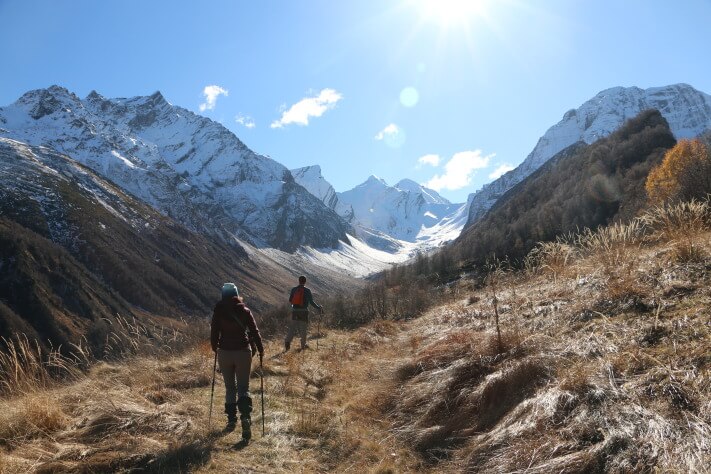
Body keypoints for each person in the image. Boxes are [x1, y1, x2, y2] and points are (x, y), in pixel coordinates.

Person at [211, 282, 264, 440]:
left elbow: (214, 333)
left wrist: (216, 349)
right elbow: (254, 331)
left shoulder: (218, 311)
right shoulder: (245, 310)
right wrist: (261, 349)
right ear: (236, 294)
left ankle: (231, 419)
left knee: (230, 388)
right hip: (242, 352)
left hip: (224, 352)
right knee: (243, 387)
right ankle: (245, 417)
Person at [284, 275, 323, 351]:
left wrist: (294, 307)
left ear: (299, 281)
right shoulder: (307, 290)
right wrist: (318, 307)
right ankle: (303, 345)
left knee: (292, 328)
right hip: (304, 312)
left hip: (295, 312)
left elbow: (290, 300)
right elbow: (311, 302)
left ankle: (287, 342)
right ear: (305, 282)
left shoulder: (294, 289)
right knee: (303, 329)